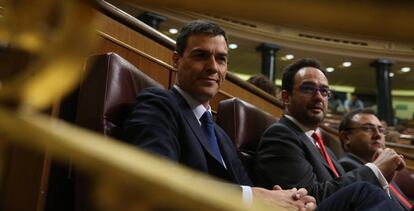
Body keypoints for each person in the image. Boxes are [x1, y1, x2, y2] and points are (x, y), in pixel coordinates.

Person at [123, 20, 315, 210]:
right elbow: (155, 179)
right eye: (201, 56)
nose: (213, 67)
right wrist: (254, 197)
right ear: (176, 60)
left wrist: (288, 199)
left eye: (221, 59)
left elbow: (246, 188)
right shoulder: (159, 104)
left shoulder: (220, 134)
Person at [254, 58, 406, 205]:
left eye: (324, 91)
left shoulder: (325, 149)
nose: (319, 96)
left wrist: (382, 176)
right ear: (286, 97)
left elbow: (344, 193)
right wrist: (375, 170)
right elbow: (307, 199)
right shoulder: (280, 135)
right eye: (308, 88)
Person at [338, 109, 413, 210]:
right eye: (367, 129)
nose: (378, 135)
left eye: (381, 130)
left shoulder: (383, 166)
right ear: (346, 137)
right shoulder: (348, 167)